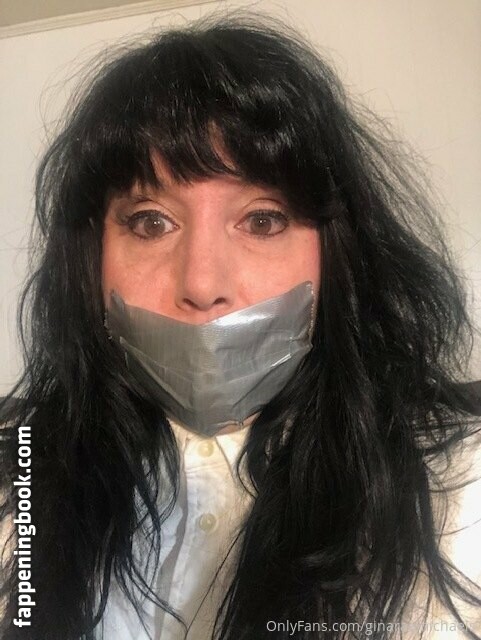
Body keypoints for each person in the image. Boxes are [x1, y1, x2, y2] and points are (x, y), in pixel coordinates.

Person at [1, 12, 480, 640]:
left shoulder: (462, 482)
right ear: (91, 260)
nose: (202, 285)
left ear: (335, 251)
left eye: (262, 220)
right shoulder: (20, 473)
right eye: (150, 222)